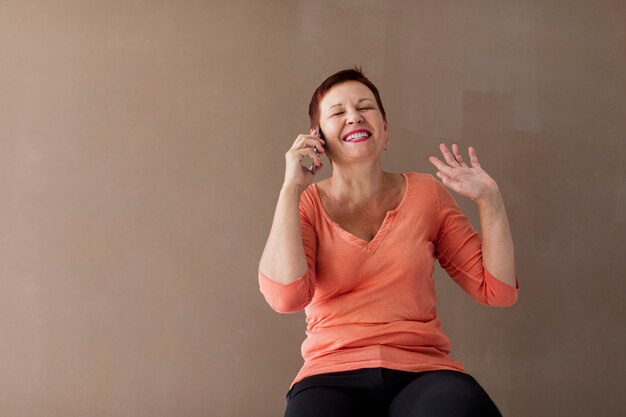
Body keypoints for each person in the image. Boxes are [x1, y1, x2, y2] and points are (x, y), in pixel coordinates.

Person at [258, 67, 520, 417]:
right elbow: (286, 298)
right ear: (317, 137)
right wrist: (291, 188)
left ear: (385, 130)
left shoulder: (428, 193)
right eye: (338, 112)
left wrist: (490, 200)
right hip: (330, 375)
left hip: (423, 372)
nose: (353, 117)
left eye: (365, 107)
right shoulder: (306, 205)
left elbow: (497, 291)